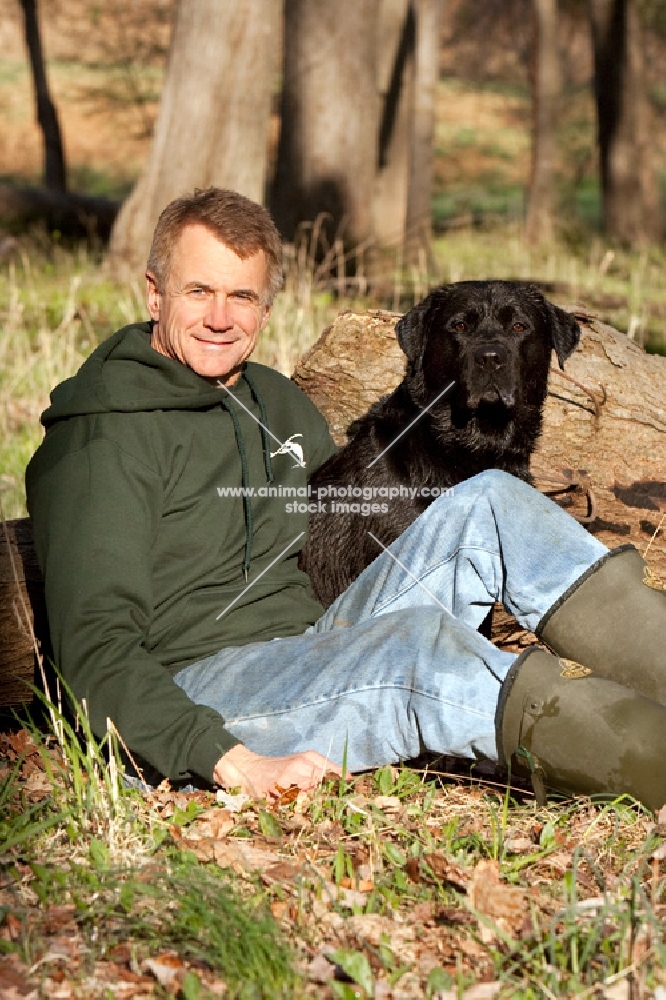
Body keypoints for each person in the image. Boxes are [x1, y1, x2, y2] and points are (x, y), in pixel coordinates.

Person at [26, 188, 666, 811]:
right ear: (154, 292)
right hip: (202, 691)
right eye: (199, 291)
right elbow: (96, 654)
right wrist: (236, 762)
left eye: (241, 295)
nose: (220, 317)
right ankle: (651, 760)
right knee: (418, 646)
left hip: (307, 643)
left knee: (492, 499)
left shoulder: (273, 404)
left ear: (265, 311)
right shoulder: (100, 442)